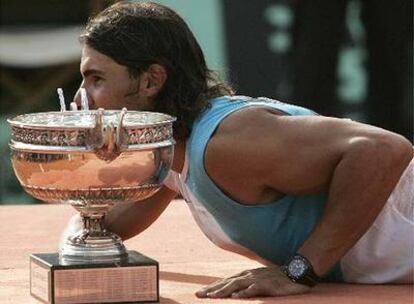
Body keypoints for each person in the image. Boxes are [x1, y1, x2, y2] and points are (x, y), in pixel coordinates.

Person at [66, 1, 413, 299]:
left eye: (96, 79)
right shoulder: (173, 151)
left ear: (151, 81)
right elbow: (105, 227)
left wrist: (297, 271)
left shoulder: (225, 144)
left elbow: (383, 149)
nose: (82, 97)